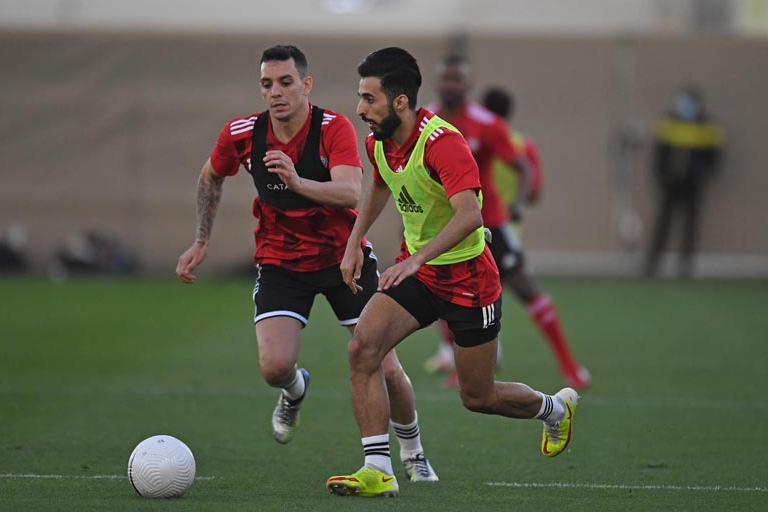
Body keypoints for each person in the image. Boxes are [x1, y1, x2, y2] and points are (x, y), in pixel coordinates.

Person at [175, 45, 437, 483]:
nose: (276, 92)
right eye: (267, 84)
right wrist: (201, 240)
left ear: (306, 85)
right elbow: (210, 176)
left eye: (285, 82)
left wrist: (296, 181)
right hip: (280, 261)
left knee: (387, 367)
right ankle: (295, 389)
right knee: (274, 368)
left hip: (343, 259)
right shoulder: (242, 133)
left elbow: (349, 192)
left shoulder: (332, 127)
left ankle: (413, 453)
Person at [326, 47, 579, 498]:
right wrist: (354, 242)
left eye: (369, 99)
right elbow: (381, 183)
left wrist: (415, 259)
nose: (360, 109)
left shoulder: (443, 142)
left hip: (468, 281)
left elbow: (470, 216)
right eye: (360, 97)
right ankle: (378, 468)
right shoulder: (378, 140)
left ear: (400, 101)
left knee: (478, 397)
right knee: (363, 349)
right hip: (420, 275)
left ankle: (554, 409)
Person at [424, 56, 590, 390]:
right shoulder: (426, 120)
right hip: (446, 226)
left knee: (524, 287)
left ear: (467, 84)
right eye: (445, 78)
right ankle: (466, 364)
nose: (449, 85)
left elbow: (523, 167)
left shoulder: (485, 123)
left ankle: (569, 365)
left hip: (490, 224)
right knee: (443, 294)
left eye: (456, 79)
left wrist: (517, 204)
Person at [644, 85, 724, 278]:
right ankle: (653, 263)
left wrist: (702, 174)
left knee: (691, 224)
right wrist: (662, 175)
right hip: (670, 182)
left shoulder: (707, 126)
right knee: (663, 222)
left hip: (693, 183)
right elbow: (659, 153)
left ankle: (686, 265)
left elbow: (714, 157)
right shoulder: (668, 122)